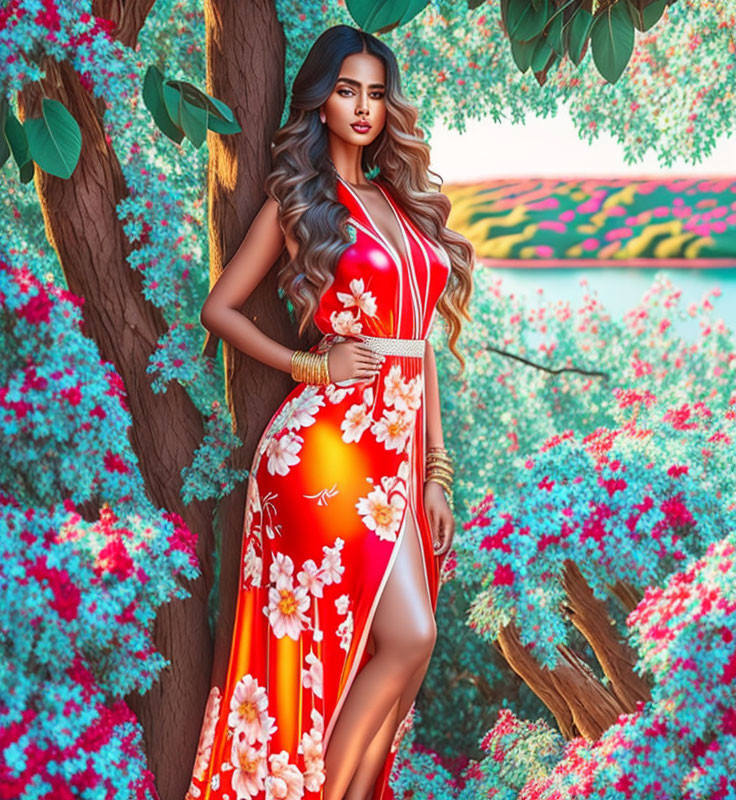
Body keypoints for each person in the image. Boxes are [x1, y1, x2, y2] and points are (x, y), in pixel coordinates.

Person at [185, 23, 474, 800]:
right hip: (326, 449)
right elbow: (221, 310)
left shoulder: (402, 202)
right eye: (346, 90)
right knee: (404, 636)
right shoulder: (301, 202)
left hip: (395, 456)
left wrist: (437, 474)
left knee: (409, 644)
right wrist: (316, 362)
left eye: (376, 94)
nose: (362, 107)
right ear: (318, 102)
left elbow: (420, 353)